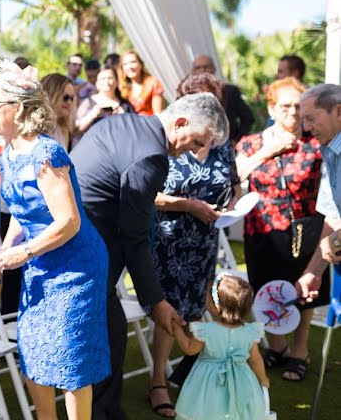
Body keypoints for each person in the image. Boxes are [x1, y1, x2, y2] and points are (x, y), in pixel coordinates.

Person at [70, 92, 229, 419]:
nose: (196, 150)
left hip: (78, 244)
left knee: (108, 335)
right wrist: (156, 301)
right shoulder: (152, 156)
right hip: (85, 252)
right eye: (197, 141)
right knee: (107, 341)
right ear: (181, 122)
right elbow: (135, 236)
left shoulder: (126, 123)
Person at [0, 62, 109, 420]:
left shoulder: (46, 153)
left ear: (19, 109)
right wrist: (5, 251)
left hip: (76, 267)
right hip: (41, 262)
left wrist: (22, 253)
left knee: (71, 359)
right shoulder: (9, 154)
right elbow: (21, 217)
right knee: (33, 349)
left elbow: (69, 221)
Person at [146, 73, 241, 417]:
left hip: (205, 240)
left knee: (196, 305)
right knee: (168, 308)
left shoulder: (221, 144)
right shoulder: (165, 142)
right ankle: (157, 379)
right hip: (170, 240)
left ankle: (191, 368)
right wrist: (188, 205)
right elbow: (148, 196)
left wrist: (233, 207)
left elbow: (234, 183)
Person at [235, 77, 326, 381]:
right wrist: (270, 150)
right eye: (285, 106)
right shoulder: (250, 144)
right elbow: (236, 175)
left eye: (298, 107)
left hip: (305, 231)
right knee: (268, 290)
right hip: (261, 230)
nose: (293, 113)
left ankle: (300, 350)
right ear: (271, 108)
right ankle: (277, 345)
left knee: (304, 292)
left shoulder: (316, 144)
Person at [172, 273, 269, 420]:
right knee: (239, 412)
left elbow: (189, 348)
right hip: (242, 378)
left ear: (216, 305)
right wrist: (262, 379)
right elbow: (255, 359)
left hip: (208, 381)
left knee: (207, 410)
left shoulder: (207, 331)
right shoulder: (249, 332)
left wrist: (177, 329)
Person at [299, 84, 341, 264]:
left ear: (339, 112)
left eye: (311, 118)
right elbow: (333, 215)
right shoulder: (329, 149)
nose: (306, 127)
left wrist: (337, 240)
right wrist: (313, 274)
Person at [191, 55, 254, 142]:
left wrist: (237, 140)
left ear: (214, 69)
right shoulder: (188, 94)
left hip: (227, 146)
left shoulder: (230, 91)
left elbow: (248, 117)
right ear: (193, 71)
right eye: (198, 68)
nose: (202, 71)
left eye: (206, 67)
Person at [74, 66, 133, 137]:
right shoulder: (88, 102)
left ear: (117, 82)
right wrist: (93, 114)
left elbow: (133, 129)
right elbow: (76, 130)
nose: (106, 82)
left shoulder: (125, 104)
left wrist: (124, 117)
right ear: (96, 83)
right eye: (102, 79)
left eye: (110, 78)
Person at [119, 50, 164, 115]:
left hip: (150, 123)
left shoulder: (153, 83)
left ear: (141, 64)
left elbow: (158, 114)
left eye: (133, 62)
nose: (130, 67)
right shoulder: (122, 88)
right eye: (125, 64)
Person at [40, 73, 76, 150]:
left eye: (72, 98)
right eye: (65, 97)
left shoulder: (63, 129)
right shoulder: (36, 129)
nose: (69, 102)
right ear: (51, 95)